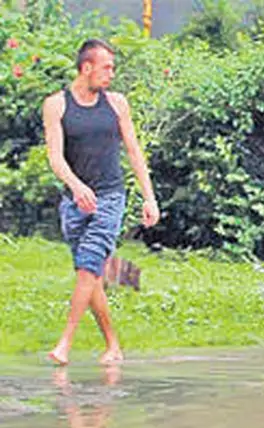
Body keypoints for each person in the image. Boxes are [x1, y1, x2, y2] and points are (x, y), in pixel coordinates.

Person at [43, 38, 159, 367]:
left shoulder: (117, 104)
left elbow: (134, 152)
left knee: (87, 265)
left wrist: (149, 197)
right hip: (74, 202)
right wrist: (76, 186)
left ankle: (64, 344)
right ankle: (113, 345)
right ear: (86, 67)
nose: (111, 74)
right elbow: (55, 157)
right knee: (91, 274)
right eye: (106, 67)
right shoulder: (56, 105)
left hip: (109, 198)